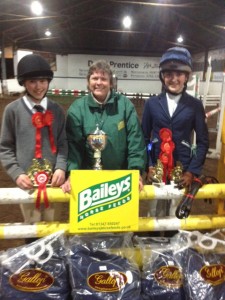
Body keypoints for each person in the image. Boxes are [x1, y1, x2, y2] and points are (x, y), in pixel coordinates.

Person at [0, 54, 68, 223]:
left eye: (43, 81)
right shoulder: (12, 110)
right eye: (32, 82)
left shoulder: (57, 110)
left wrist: (60, 167)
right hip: (27, 184)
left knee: (53, 229)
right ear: (24, 83)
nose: (39, 86)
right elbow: (5, 147)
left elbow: (63, 143)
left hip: (53, 183)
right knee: (31, 228)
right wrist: (16, 173)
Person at [141, 47, 209, 216]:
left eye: (179, 74)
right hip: (156, 168)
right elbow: (144, 139)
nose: (174, 79)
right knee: (153, 212)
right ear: (162, 77)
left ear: (186, 77)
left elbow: (202, 142)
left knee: (175, 215)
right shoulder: (151, 104)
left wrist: (192, 171)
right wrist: (148, 165)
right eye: (169, 74)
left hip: (182, 169)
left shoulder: (194, 105)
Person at [61, 60, 146, 192]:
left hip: (120, 181)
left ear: (111, 83)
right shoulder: (76, 109)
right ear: (88, 82)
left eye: (103, 79)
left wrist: (136, 172)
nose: (99, 82)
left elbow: (135, 140)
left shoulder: (125, 106)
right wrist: (72, 173)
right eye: (95, 78)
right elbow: (73, 146)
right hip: (88, 183)